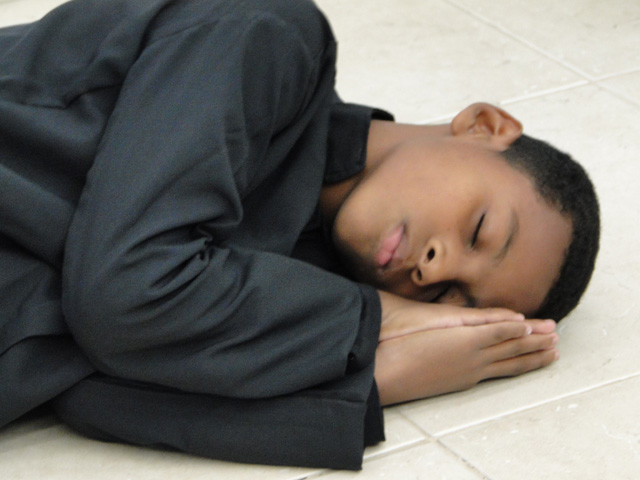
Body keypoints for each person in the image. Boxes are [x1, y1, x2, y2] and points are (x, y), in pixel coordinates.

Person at [0, 0, 599, 471]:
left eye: (450, 299)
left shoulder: (294, 286)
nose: (434, 270)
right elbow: (124, 294)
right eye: (479, 230)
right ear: (483, 126)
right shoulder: (269, 32)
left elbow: (92, 395)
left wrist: (379, 380)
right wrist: (370, 320)